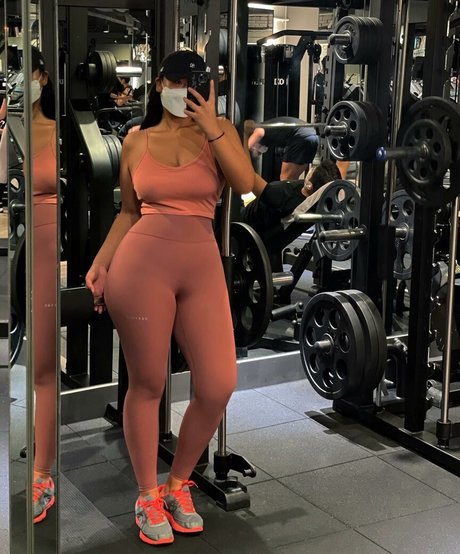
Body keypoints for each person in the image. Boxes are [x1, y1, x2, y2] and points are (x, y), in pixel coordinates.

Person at [85, 50, 254, 547]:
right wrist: (101, 261)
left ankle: (178, 484)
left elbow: (244, 184)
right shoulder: (136, 140)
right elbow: (129, 212)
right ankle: (147, 495)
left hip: (201, 266)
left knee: (218, 384)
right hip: (141, 267)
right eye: (176, 81)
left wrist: (213, 125)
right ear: (159, 84)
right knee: (148, 382)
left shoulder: (219, 133)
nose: (184, 90)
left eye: (193, 82)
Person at [27, 47, 58, 524]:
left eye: (24, 72)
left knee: (43, 367)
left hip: (47, 251)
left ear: (42, 77)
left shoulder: (56, 131)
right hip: (15, 244)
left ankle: (42, 475)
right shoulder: (8, 129)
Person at [241, 159, 341, 237]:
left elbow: (246, 175)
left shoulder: (281, 195)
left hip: (242, 222)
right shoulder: (313, 204)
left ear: (309, 185)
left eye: (313, 170)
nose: (311, 169)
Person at [245, 116, 319, 180]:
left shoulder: (259, 128)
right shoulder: (268, 130)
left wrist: (246, 140)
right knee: (293, 179)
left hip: (299, 137)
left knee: (285, 178)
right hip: (312, 136)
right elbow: (258, 152)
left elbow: (256, 136)